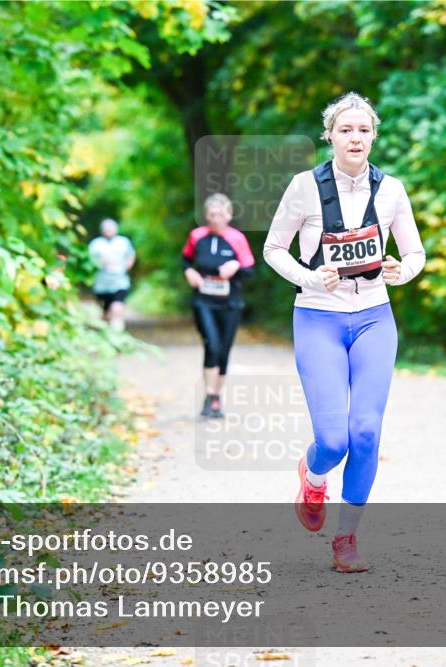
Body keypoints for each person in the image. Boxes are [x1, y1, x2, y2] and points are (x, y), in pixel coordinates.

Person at [263, 92, 426, 573]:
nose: (355, 138)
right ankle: (314, 478)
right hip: (317, 316)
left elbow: (415, 254)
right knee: (333, 440)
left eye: (364, 130)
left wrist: (403, 271)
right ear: (330, 135)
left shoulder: (392, 190)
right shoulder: (303, 187)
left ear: (374, 136)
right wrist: (309, 277)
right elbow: (274, 249)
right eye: (345, 130)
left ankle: (347, 538)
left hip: (375, 315)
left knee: (367, 431)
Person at [182, 193, 256, 419]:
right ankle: (210, 394)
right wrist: (190, 271)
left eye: (221, 214)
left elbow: (251, 270)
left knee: (223, 350)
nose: (216, 219)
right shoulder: (197, 236)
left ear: (229, 214)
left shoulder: (237, 239)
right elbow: (185, 259)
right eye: (212, 215)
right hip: (203, 300)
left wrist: (235, 267)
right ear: (206, 215)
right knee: (211, 345)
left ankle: (214, 398)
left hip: (230, 302)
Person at [88, 218, 136, 332]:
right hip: (102, 284)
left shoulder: (123, 242)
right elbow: (89, 261)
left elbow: (131, 255)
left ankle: (117, 333)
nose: (109, 231)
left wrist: (126, 267)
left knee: (117, 307)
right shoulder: (95, 244)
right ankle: (107, 332)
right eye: (107, 229)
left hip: (120, 281)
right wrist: (100, 262)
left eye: (111, 229)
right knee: (106, 313)